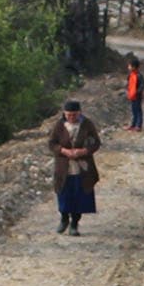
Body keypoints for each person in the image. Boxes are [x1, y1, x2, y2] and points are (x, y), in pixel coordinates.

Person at [48, 100, 101, 235]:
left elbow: (95, 142)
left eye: (74, 115)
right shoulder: (60, 125)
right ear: (64, 114)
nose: (71, 118)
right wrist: (63, 151)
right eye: (69, 115)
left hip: (82, 167)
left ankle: (74, 224)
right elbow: (52, 143)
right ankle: (64, 218)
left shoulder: (87, 124)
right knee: (64, 194)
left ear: (79, 113)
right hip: (64, 167)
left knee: (79, 195)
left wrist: (83, 151)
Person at [123, 54, 144, 132]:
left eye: (130, 66)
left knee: (138, 110)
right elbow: (128, 83)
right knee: (133, 110)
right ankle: (133, 124)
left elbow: (142, 85)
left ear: (134, 67)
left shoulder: (139, 76)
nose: (128, 68)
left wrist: (137, 92)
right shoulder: (130, 75)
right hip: (132, 95)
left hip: (137, 96)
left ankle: (139, 125)